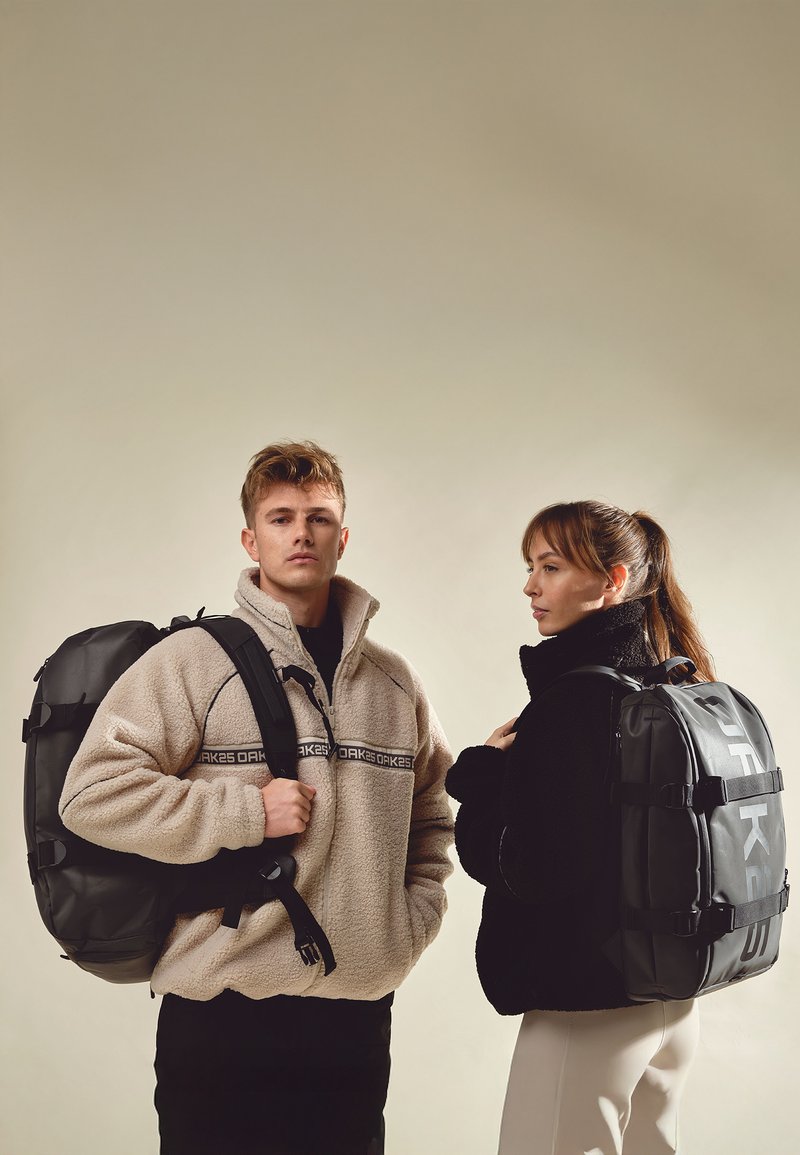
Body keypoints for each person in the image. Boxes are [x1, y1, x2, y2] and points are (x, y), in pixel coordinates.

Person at [59, 440, 454, 1155]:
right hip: (223, 1016)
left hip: (355, 1021)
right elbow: (91, 792)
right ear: (252, 539)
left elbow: (432, 818)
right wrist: (243, 812)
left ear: (342, 537)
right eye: (281, 518)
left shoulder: (395, 684)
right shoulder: (192, 662)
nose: (302, 533)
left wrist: (406, 924)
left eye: (318, 518)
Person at [446, 500, 714, 1155]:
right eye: (530, 567)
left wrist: (481, 779)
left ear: (612, 581)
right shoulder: (670, 680)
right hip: (672, 997)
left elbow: (532, 868)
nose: (530, 586)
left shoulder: (575, 700)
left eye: (551, 567)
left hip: (587, 1003)